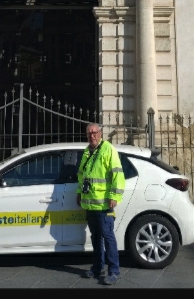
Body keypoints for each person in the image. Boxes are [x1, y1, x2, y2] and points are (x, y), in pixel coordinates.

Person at [76, 122, 125, 285]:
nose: (92, 135)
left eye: (95, 132)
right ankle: (97, 267)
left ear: (101, 133)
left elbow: (118, 175)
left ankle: (113, 271)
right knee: (96, 238)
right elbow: (82, 176)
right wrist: (78, 193)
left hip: (105, 205)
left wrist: (114, 196)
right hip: (90, 205)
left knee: (108, 237)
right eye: (89, 133)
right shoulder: (86, 152)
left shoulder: (108, 149)